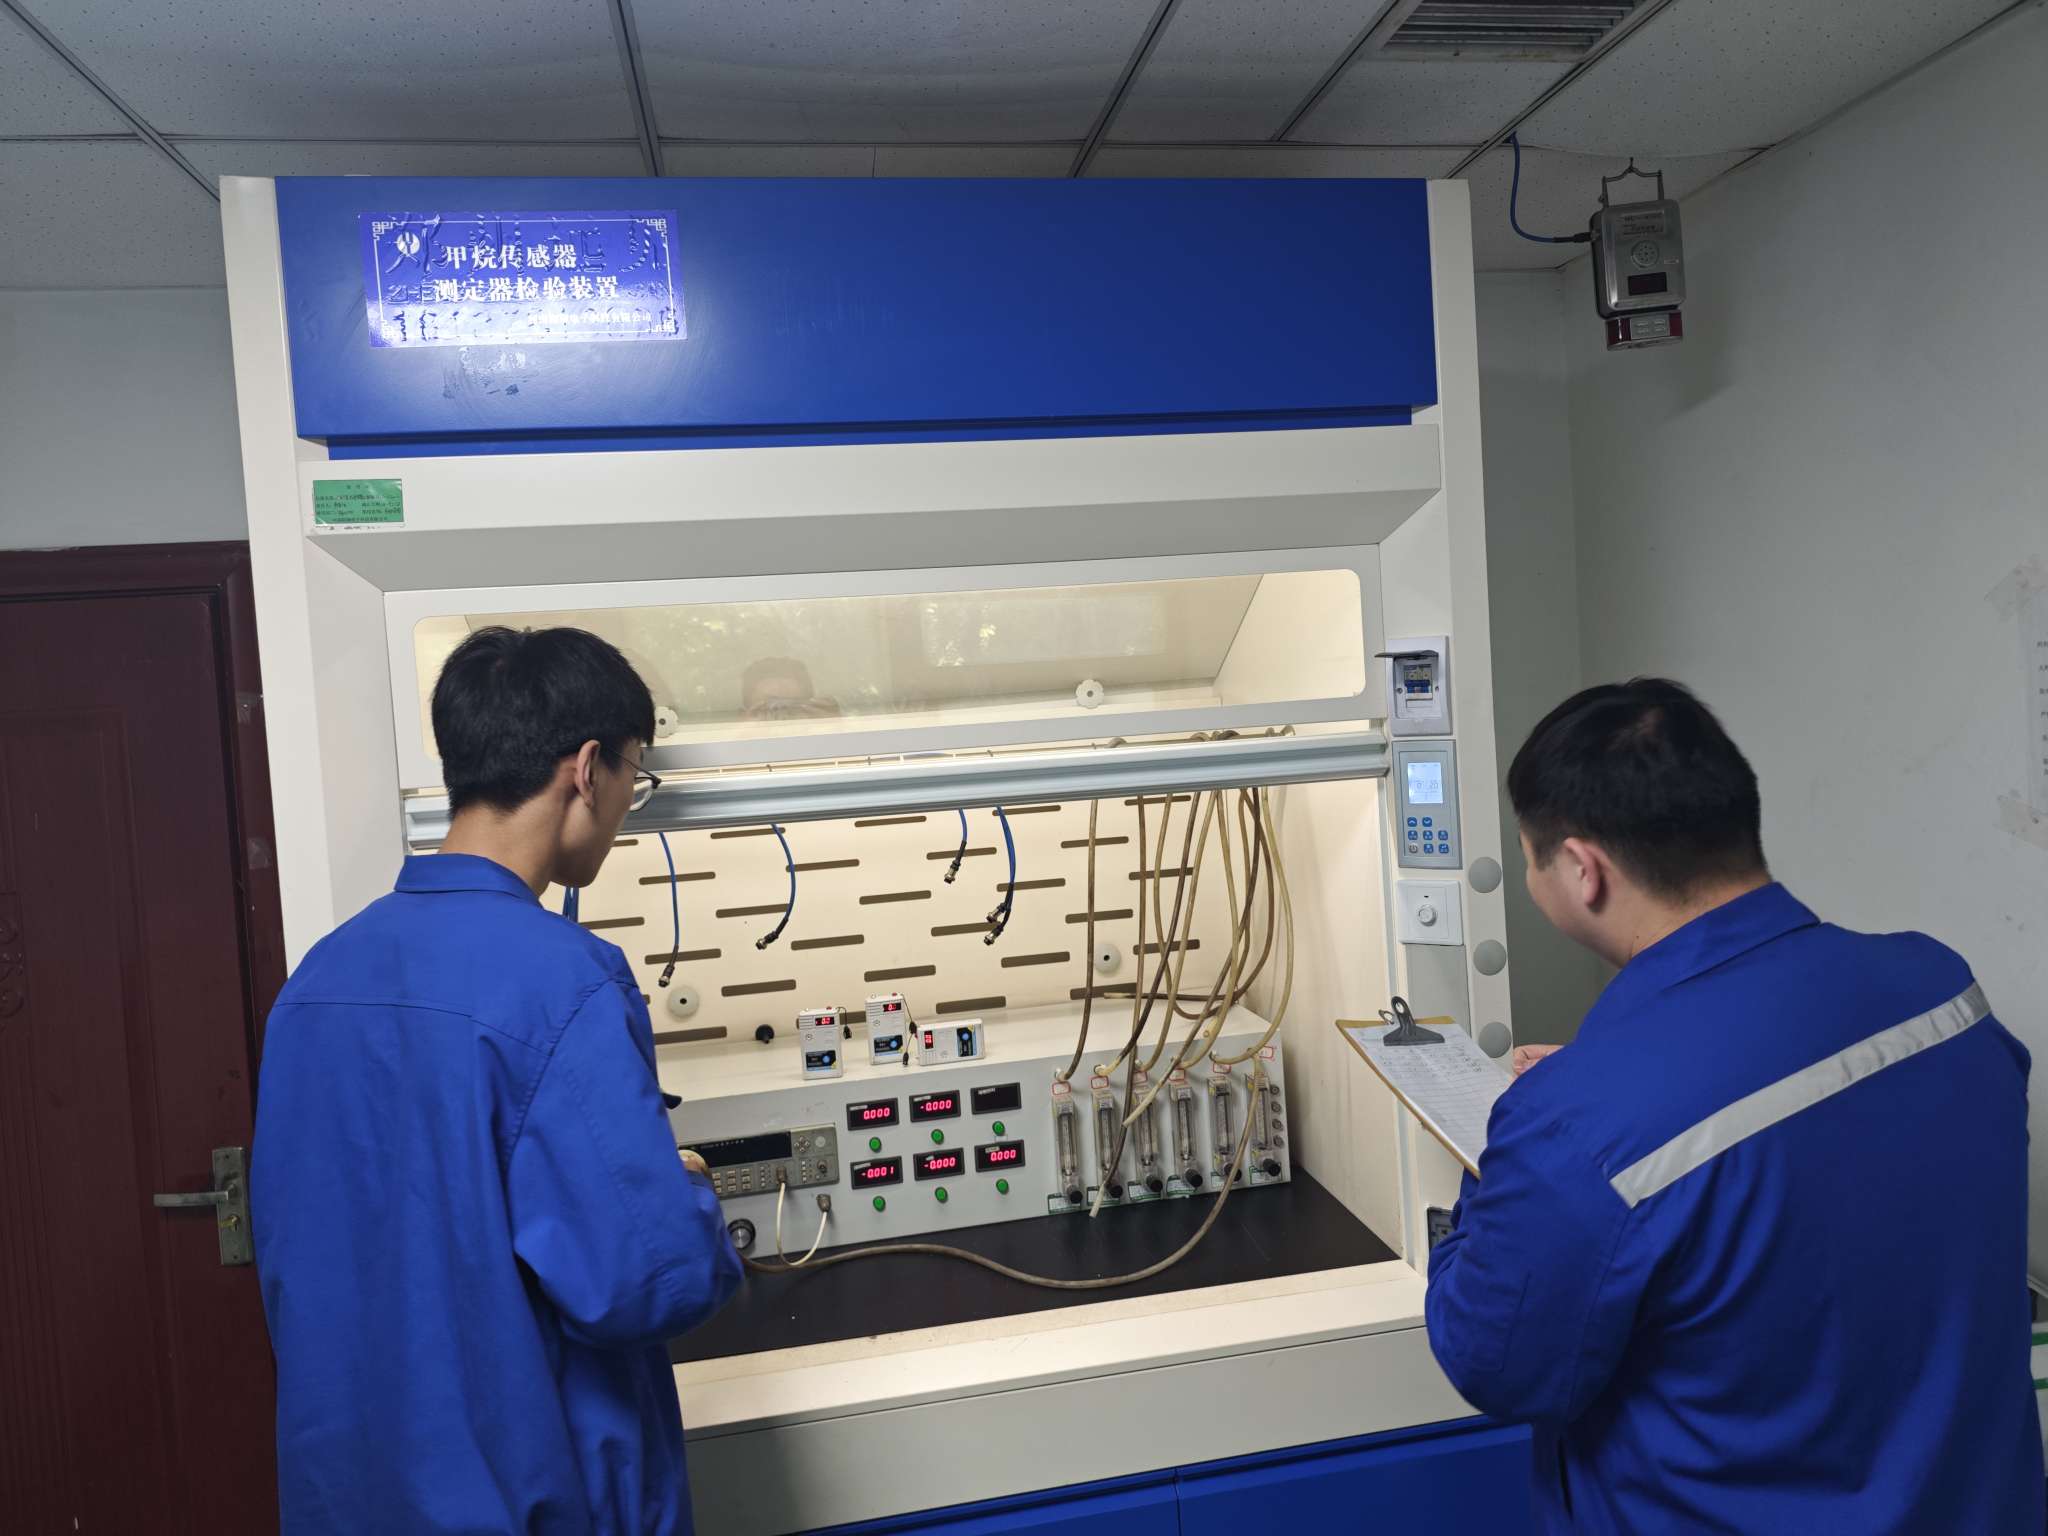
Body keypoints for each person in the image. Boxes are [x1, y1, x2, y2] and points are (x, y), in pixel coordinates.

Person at [1426, 679, 2040, 1532]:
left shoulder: (1575, 1127)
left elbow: (1492, 1361)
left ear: (1582, 870)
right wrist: (1605, 1090)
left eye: (1532, 860)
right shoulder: (1942, 991)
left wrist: (1531, 1134)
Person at [252, 626, 742, 1535]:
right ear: (586, 769)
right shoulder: (564, 980)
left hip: (351, 1500)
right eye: (636, 775)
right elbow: (641, 1278)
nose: (628, 805)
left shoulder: (318, 979)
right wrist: (689, 1198)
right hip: (531, 1497)